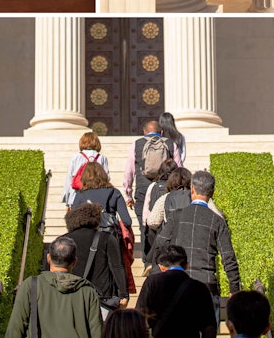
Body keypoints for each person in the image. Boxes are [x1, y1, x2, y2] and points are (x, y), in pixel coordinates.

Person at [154, 170, 240, 327]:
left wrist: (163, 266)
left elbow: (159, 244)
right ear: (212, 193)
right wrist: (234, 289)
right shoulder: (217, 221)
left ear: (192, 189)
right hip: (206, 285)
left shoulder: (176, 216)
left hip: (176, 284)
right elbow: (229, 258)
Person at [5, 236, 103, 338]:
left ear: (48, 258)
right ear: (74, 262)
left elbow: (15, 328)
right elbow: (97, 333)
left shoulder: (31, 285)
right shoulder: (87, 291)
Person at [123, 120, 182, 273]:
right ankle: (165, 261)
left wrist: (128, 193)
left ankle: (147, 262)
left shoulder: (136, 144)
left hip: (143, 189)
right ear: (161, 132)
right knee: (166, 225)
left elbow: (129, 171)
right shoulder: (170, 143)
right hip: (166, 189)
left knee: (145, 226)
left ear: (144, 132)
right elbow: (179, 168)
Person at [62, 203, 128, 321]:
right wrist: (123, 294)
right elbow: (117, 267)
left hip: (69, 298)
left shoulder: (62, 241)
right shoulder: (106, 238)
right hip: (101, 299)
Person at [135, 244, 217, 338]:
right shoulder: (199, 287)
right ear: (186, 265)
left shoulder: (152, 282)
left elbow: (139, 315)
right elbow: (209, 326)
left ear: (161, 266)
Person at [71, 162, 132, 228]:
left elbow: (72, 221)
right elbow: (127, 221)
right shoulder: (114, 192)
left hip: (87, 234)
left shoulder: (80, 194)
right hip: (110, 234)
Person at [63, 131, 110, 209]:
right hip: (97, 196)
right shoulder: (102, 158)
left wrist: (68, 201)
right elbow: (106, 178)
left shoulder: (76, 157)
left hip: (77, 195)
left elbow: (69, 179)